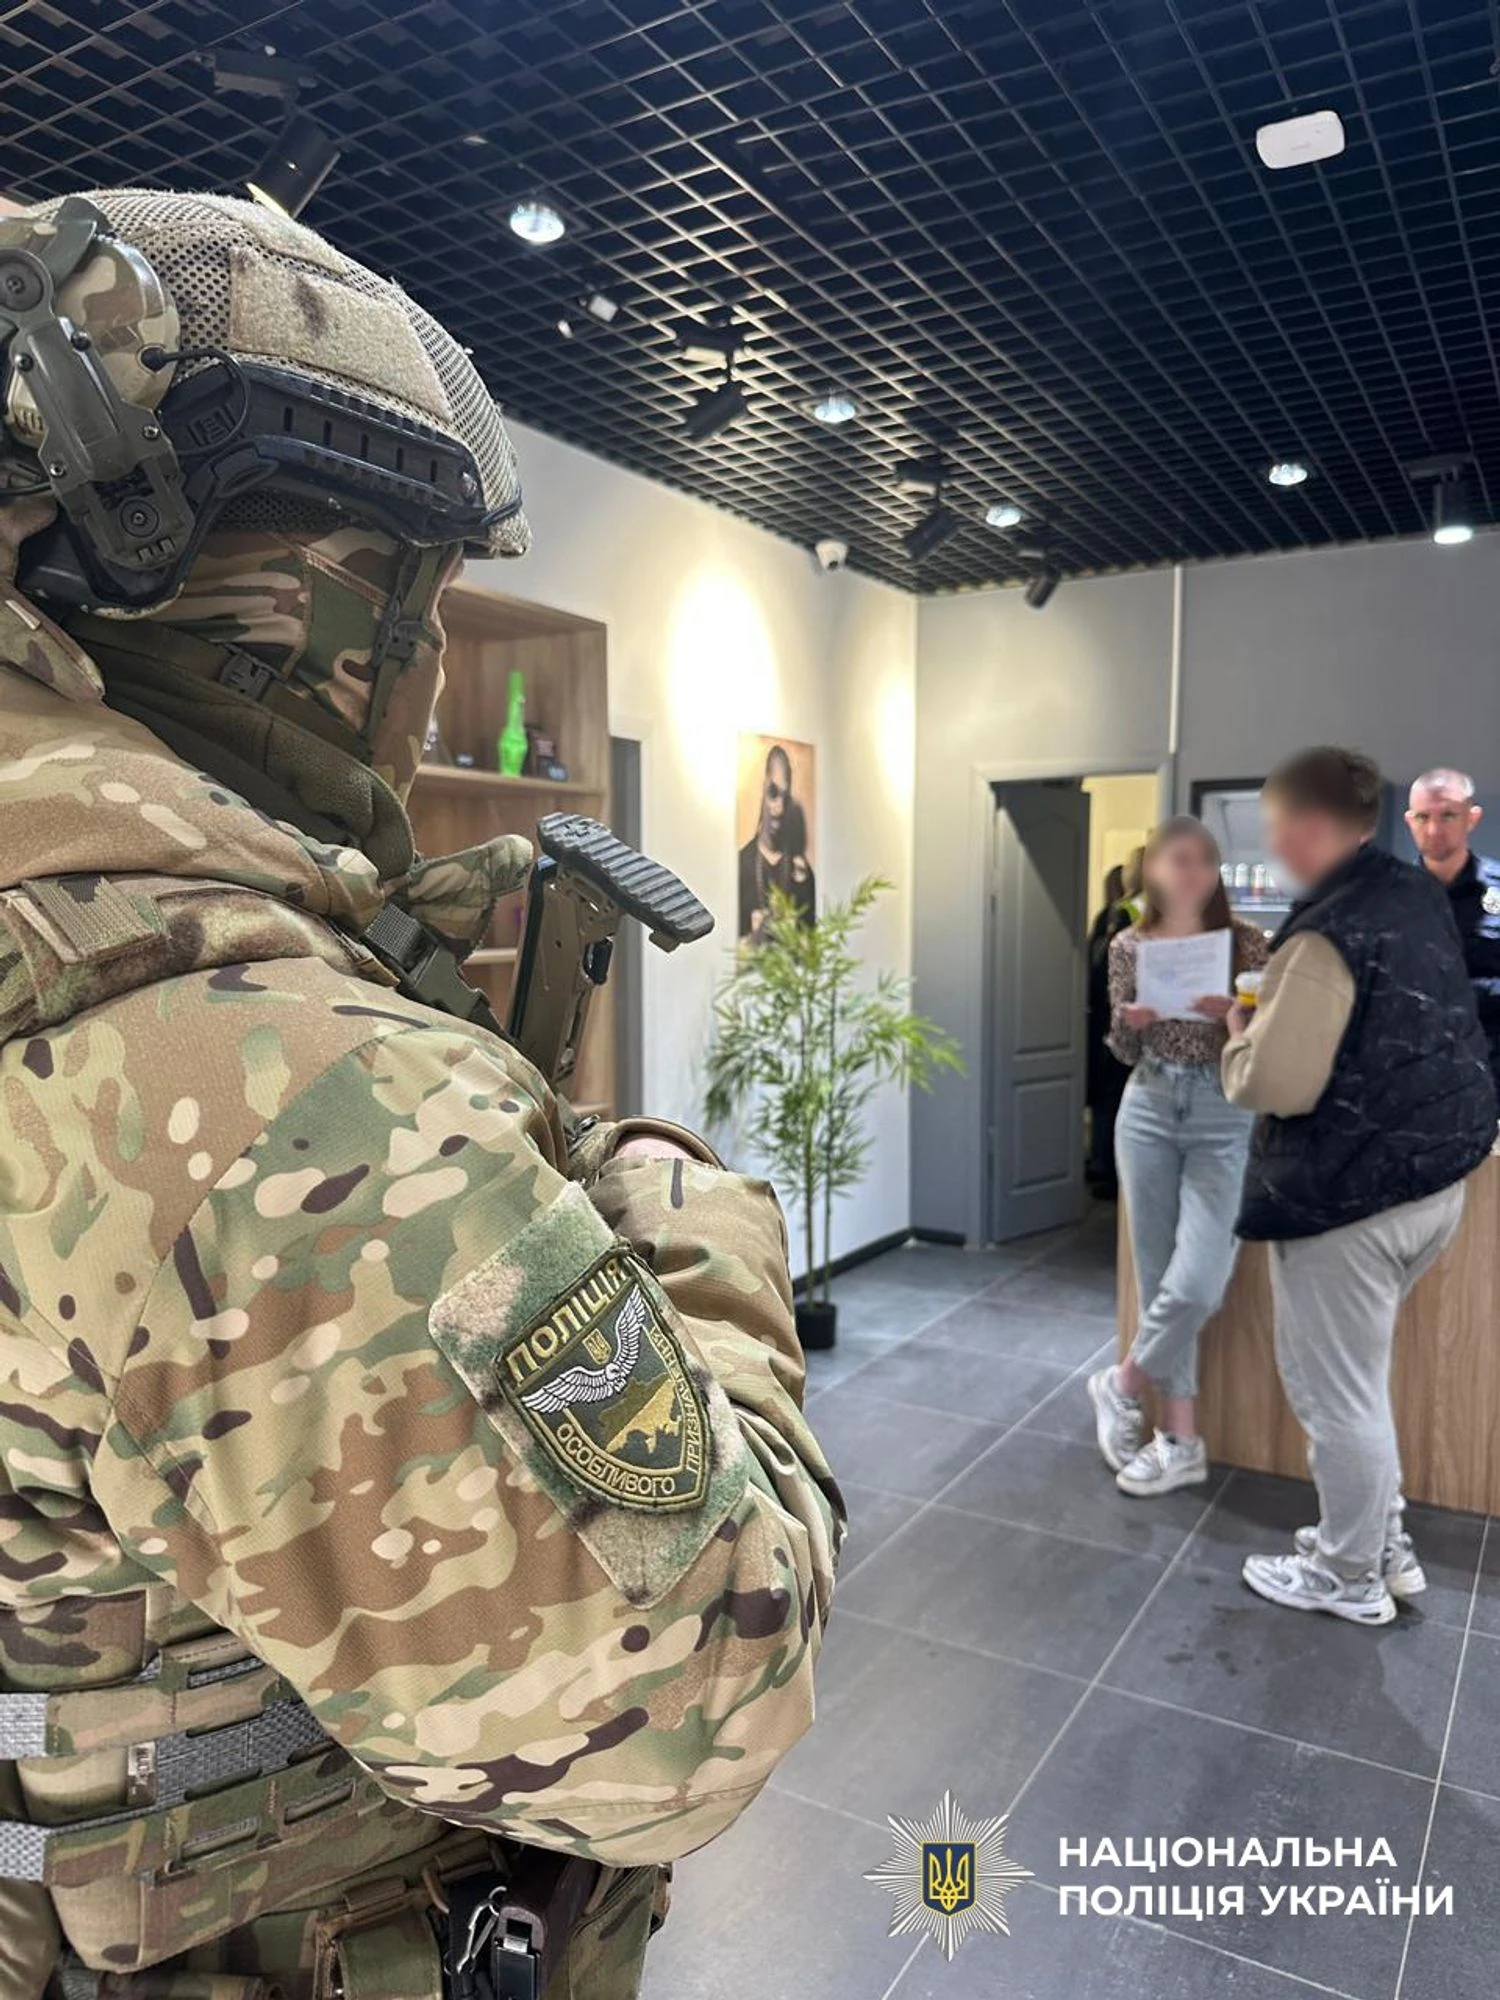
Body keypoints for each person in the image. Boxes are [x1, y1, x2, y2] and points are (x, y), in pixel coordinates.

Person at [0, 190, 841, 1998]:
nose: (436, 664)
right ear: (312, 607)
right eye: (424, 598)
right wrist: (678, 1210)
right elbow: (706, 1692)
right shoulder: (260, 1085)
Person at [1223, 747, 1495, 1625]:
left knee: (1336, 1395)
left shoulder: (1325, 935)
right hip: (1433, 1184)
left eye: (1274, 828)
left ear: (1308, 826)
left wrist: (1239, 1039)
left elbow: (1279, 1084)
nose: (1271, 846)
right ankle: (1382, 1544)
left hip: (1349, 1200)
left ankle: (1348, 1574)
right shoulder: (1411, 893)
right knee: (1361, 1383)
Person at [1088, 817, 1268, 1496]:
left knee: (1197, 1282)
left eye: (1200, 860)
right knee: (1159, 1274)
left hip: (1224, 1109)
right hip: (1150, 1105)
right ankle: (1180, 1439)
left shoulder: (1248, 942)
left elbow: (1269, 1044)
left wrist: (1235, 1020)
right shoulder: (1129, 944)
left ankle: (1121, 1382)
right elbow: (1121, 1050)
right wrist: (1131, 1023)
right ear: (1153, 871)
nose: (1187, 872)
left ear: (1216, 871)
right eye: (1174, 859)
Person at [1405, 765, 1500, 1090]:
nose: (1434, 829)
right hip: (1415, 1080)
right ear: (1409, 821)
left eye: (1448, 815)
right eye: (1422, 817)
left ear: (1472, 818)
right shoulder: (1389, 896)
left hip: (1492, 1074)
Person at [737, 742, 816, 941]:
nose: (778, 808)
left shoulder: (803, 873)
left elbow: (812, 943)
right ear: (763, 791)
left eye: (785, 798)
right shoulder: (742, 863)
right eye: (773, 793)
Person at [1085, 864, 1131, 1196]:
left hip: (1103, 1020)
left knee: (1108, 1096)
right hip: (1112, 1023)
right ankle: (1107, 1165)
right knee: (1110, 1095)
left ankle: (1104, 1164)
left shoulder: (1117, 914)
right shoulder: (1125, 917)